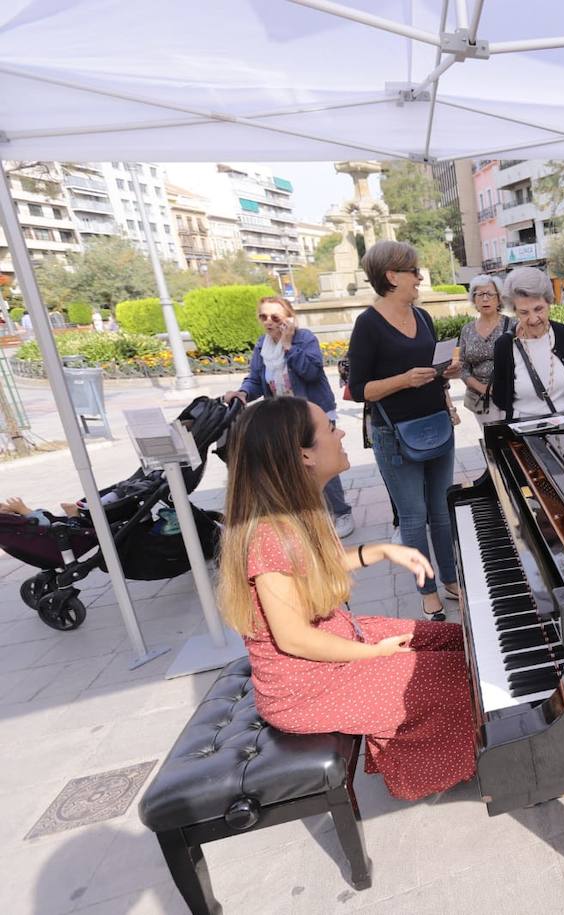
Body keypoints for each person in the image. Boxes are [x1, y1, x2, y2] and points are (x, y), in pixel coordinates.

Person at [216, 396, 476, 801]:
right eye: (330, 428)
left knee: (459, 640)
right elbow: (294, 640)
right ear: (304, 454)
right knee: (457, 677)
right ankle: (425, 770)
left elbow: (315, 564)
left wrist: (380, 551)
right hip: (305, 685)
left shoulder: (294, 511)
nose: (340, 433)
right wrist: (378, 657)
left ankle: (437, 741)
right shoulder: (269, 535)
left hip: (337, 642)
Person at [346, 241, 462, 619]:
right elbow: (359, 390)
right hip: (394, 434)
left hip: (437, 424)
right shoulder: (367, 325)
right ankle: (426, 589)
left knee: (442, 510)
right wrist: (403, 380)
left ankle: (450, 578)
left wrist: (445, 372)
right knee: (413, 517)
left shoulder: (424, 316)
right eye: (413, 270)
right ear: (392, 276)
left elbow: (430, 367)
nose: (420, 277)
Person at [224, 295, 354, 539]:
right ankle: (309, 514)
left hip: (313, 415)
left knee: (322, 462)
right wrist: (242, 392)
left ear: (289, 318)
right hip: (282, 419)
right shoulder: (262, 346)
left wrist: (287, 345)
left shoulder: (304, 339)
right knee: (292, 467)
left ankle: (341, 511)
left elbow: (312, 372)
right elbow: (255, 379)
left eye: (275, 317)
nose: (269, 322)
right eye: (263, 316)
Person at [489, 266, 564, 425]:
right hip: (525, 435)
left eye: (538, 309)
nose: (533, 319)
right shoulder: (504, 346)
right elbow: (500, 398)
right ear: (515, 311)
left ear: (549, 303)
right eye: (524, 312)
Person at [456, 273, 513, 424]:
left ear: (499, 298)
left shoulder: (513, 326)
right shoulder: (467, 330)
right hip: (481, 400)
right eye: (480, 294)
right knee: (493, 442)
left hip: (511, 395)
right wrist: (483, 389)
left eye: (490, 294)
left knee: (515, 443)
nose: (485, 299)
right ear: (474, 299)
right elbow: (461, 367)